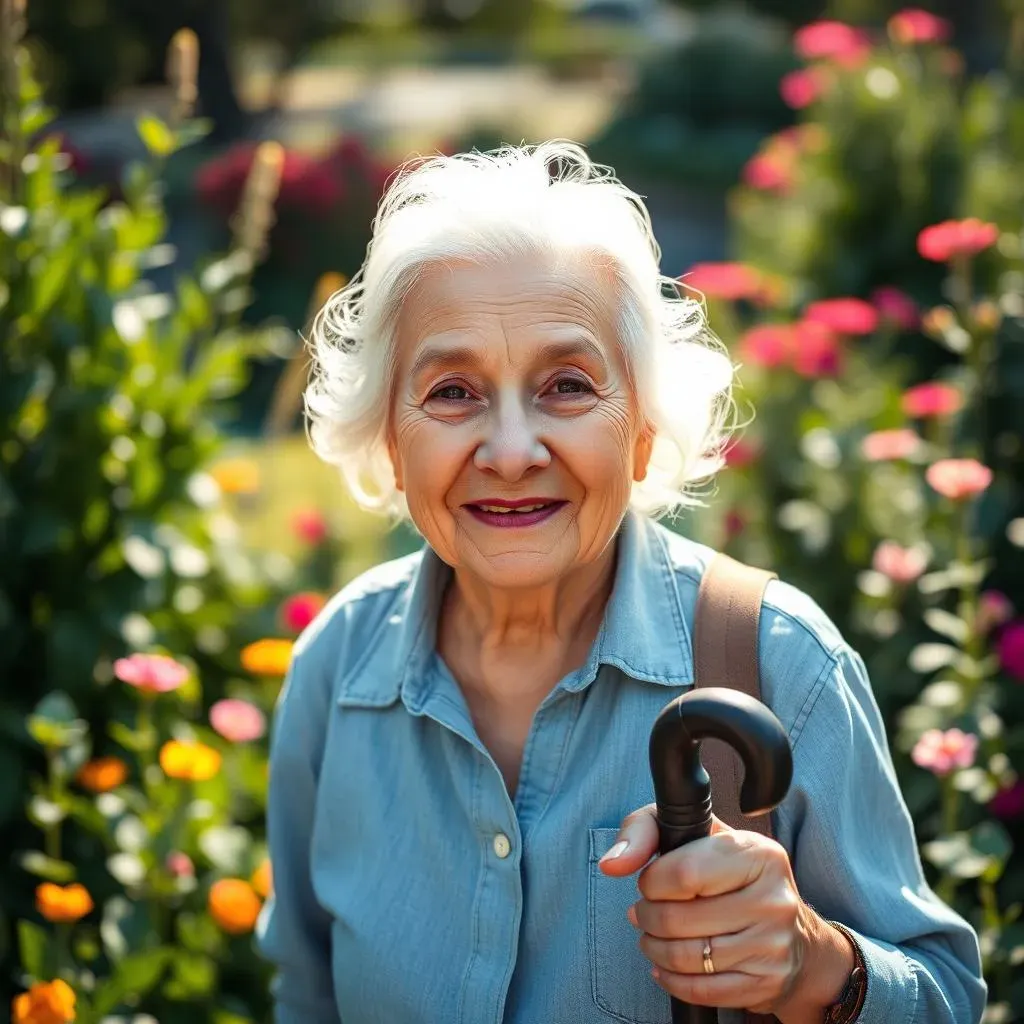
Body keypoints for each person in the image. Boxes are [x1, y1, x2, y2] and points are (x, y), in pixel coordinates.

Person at [255, 141, 986, 1024]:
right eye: (452, 392)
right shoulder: (337, 670)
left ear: (643, 429)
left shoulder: (777, 664)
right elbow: (306, 995)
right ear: (388, 439)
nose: (514, 451)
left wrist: (810, 964)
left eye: (567, 385)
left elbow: (947, 998)